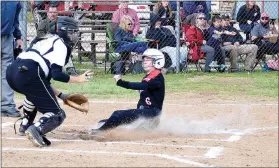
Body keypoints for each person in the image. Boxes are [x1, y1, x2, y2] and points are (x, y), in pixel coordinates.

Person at [6, 16, 93, 147]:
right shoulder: (61, 44)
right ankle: (37, 128)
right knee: (58, 114)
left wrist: (61, 96)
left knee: (34, 93)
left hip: (12, 72)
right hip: (29, 72)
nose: (74, 36)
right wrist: (78, 79)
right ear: (63, 31)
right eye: (72, 32)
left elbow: (42, 83)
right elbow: (56, 75)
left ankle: (26, 124)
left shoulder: (44, 38)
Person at [83, 49, 165, 136]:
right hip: (146, 112)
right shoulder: (151, 75)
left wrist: (121, 82)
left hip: (151, 114)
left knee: (118, 114)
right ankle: (98, 130)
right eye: (144, 59)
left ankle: (98, 133)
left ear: (157, 61)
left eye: (148, 60)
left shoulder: (156, 76)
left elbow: (142, 86)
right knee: (103, 122)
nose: (144, 62)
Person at [37, 6, 79, 76]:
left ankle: (70, 69)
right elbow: (39, 35)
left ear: (57, 13)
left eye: (54, 12)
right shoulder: (43, 23)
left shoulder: (61, 22)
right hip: (46, 45)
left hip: (60, 44)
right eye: (51, 12)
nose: (52, 14)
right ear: (47, 13)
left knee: (65, 49)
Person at [1, 1, 23, 117]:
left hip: (7, 37)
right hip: (7, 36)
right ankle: (6, 106)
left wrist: (18, 37)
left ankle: (6, 106)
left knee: (6, 72)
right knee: (6, 71)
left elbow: (15, 21)